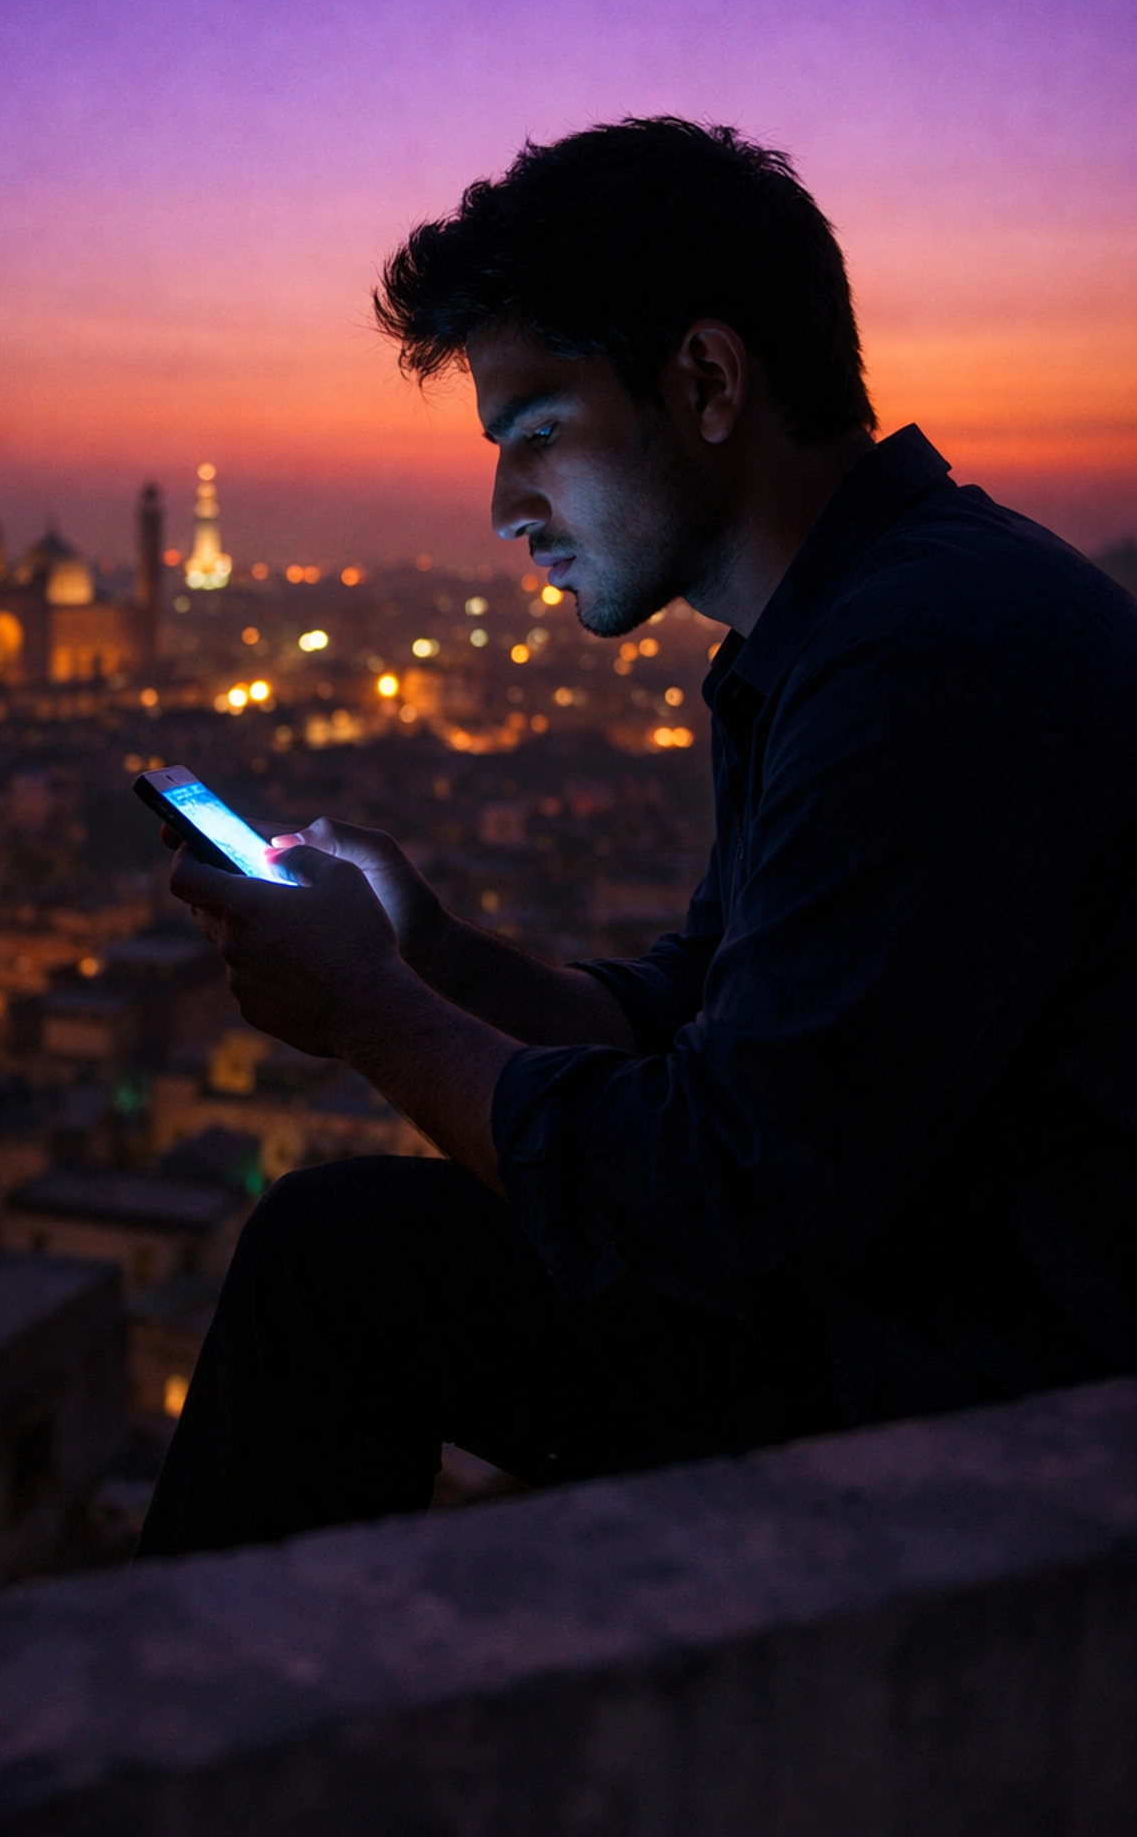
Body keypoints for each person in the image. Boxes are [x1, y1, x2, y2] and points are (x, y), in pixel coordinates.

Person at [137, 116, 1137, 1557]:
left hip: (982, 1387)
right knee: (347, 1251)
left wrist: (366, 1007)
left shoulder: (929, 655)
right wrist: (442, 958)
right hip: (903, 1294)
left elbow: (726, 1194)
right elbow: (694, 1017)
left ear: (710, 381)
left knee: (340, 1269)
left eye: (538, 433)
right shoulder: (854, 630)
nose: (505, 510)